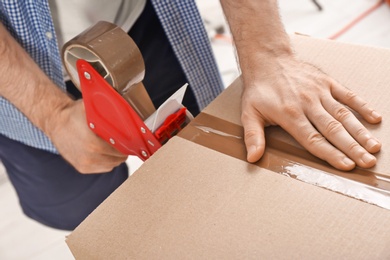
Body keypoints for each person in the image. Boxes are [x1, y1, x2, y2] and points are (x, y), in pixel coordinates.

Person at [0, 0, 382, 230]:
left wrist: (267, 53)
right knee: (82, 212)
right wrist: (51, 113)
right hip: (18, 83)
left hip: (146, 24)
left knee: (206, 173)